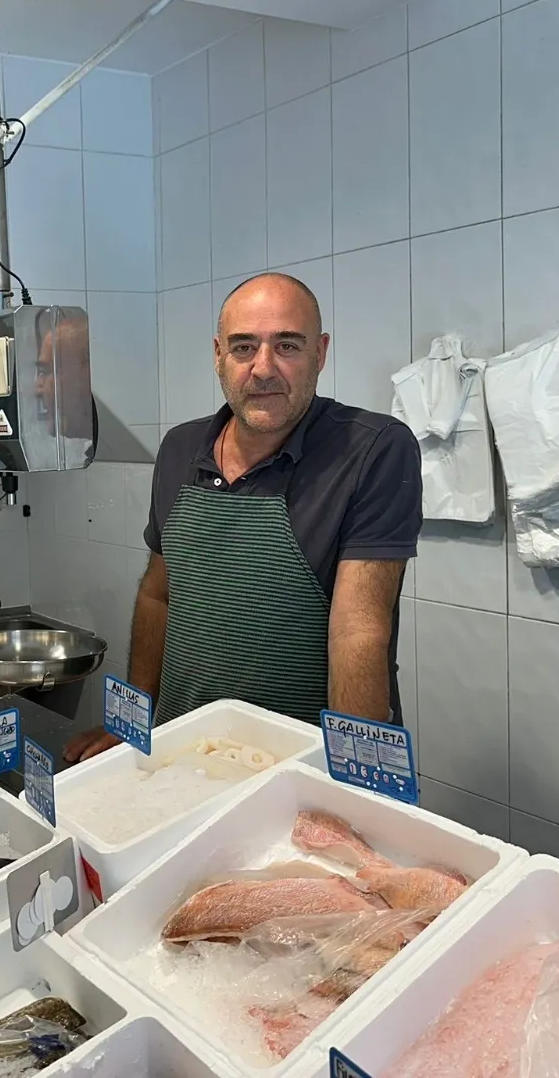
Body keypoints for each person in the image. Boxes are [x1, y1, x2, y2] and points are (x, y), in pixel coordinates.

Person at [64, 272, 421, 762]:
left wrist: (352, 779)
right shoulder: (180, 448)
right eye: (243, 347)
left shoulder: (372, 449)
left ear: (321, 352)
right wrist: (133, 721)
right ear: (219, 355)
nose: (263, 368)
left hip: (296, 766)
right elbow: (157, 595)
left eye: (288, 346)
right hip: (182, 751)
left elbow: (356, 629)